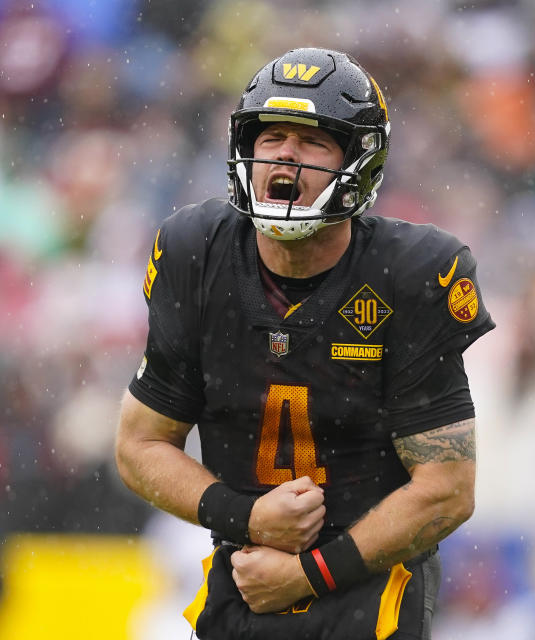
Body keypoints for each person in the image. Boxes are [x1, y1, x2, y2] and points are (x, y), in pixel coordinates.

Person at [115, 47, 495, 640]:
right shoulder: (196, 251)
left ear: (360, 160)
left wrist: (309, 574)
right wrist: (248, 518)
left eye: (314, 140)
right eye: (271, 136)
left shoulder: (414, 272)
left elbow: (447, 490)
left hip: (369, 595)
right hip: (244, 583)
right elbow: (139, 445)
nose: (286, 154)